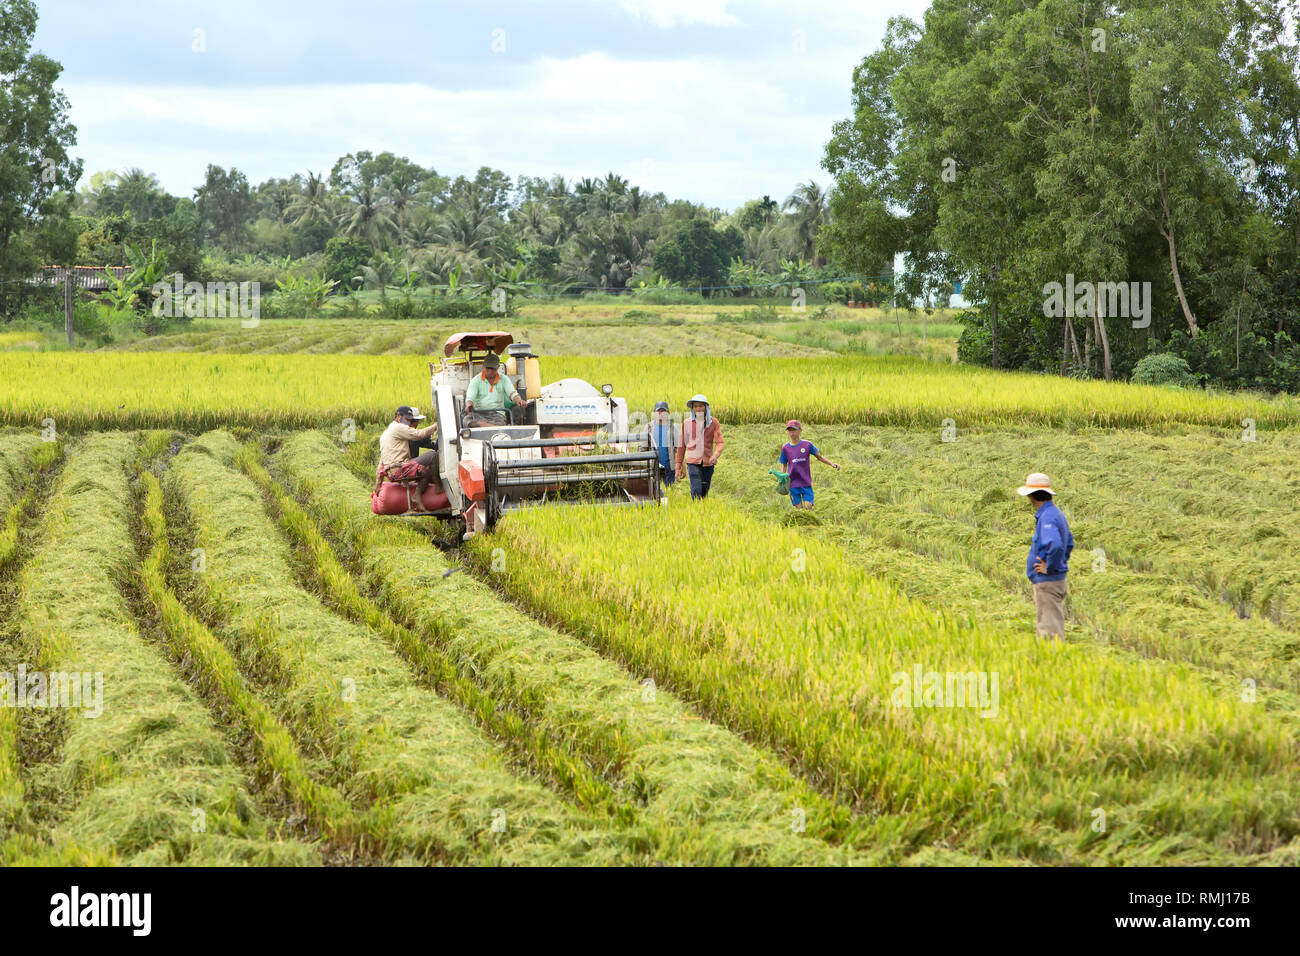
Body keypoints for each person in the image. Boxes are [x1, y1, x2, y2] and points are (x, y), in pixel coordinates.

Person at [1018, 472, 1074, 639]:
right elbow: (1069, 543)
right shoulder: (1055, 513)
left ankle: (1052, 661)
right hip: (1055, 579)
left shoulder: (1048, 517)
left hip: (1048, 582)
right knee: (1050, 622)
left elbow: (1055, 545)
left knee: (1049, 630)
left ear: (1032, 496)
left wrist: (1049, 566)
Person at [376, 405, 439, 502]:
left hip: (392, 471)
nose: (409, 422)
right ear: (398, 417)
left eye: (410, 420)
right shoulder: (398, 428)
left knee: (426, 468)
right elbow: (420, 434)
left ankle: (419, 495)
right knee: (433, 455)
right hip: (401, 468)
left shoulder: (386, 433)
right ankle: (438, 488)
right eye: (407, 419)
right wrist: (437, 425)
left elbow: (381, 463)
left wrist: (378, 484)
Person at [778, 420, 838, 509]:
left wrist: (831, 464)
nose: (792, 433)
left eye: (794, 430)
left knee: (808, 506)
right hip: (793, 483)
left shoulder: (807, 445)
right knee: (799, 509)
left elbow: (819, 457)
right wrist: (782, 478)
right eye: (790, 430)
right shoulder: (785, 448)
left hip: (805, 482)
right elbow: (784, 464)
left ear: (800, 430)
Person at [675, 394, 723, 499]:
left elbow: (720, 442)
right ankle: (696, 509)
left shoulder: (713, 423)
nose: (698, 409)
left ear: (706, 407)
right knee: (696, 491)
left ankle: (701, 512)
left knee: (704, 493)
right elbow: (681, 446)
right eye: (695, 406)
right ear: (692, 408)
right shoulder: (687, 423)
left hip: (708, 463)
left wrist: (715, 455)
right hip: (693, 462)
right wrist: (678, 465)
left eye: (701, 406)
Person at [464, 352, 523, 426]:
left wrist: (518, 400)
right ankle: (494, 428)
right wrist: (469, 405)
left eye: (493, 369)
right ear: (483, 366)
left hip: (497, 414)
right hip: (478, 413)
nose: (490, 371)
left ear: (498, 367)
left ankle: (483, 425)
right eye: (488, 368)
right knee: (467, 420)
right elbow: (470, 398)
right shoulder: (475, 380)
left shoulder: (504, 379)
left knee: (499, 422)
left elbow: (512, 394)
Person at [643, 400, 679, 487]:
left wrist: (679, 465)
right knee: (654, 490)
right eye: (658, 411)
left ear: (668, 413)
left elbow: (678, 449)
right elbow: (643, 448)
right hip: (653, 466)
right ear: (654, 413)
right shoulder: (648, 427)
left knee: (669, 490)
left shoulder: (672, 428)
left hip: (669, 467)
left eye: (663, 411)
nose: (660, 413)